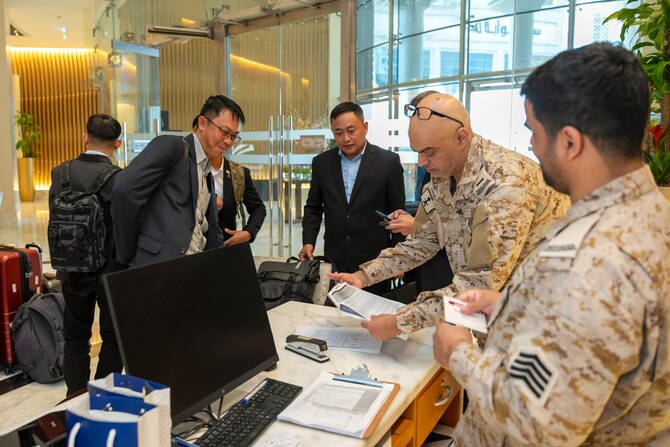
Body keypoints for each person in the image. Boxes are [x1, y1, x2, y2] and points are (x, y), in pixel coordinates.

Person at [433, 42, 670, 446]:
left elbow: (537, 421)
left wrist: (458, 354)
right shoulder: (649, 214)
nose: (532, 146)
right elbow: (600, 337)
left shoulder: (592, 261)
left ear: (570, 142)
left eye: (534, 131)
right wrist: (511, 308)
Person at [330, 93, 569, 339]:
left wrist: (399, 322)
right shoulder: (443, 173)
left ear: (461, 138)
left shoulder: (506, 185)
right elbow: (424, 239)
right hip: (490, 321)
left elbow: (479, 284)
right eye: (417, 151)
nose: (421, 162)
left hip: (540, 329)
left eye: (429, 152)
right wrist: (364, 276)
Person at [112, 95, 245, 267]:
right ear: (203, 123)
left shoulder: (206, 171)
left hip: (191, 267)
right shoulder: (172, 146)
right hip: (159, 266)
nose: (228, 141)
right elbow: (124, 191)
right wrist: (127, 252)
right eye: (224, 132)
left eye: (233, 137)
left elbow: (207, 225)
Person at [48, 114, 124, 395]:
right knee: (113, 338)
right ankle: (102, 396)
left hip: (71, 266)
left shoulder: (59, 173)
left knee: (76, 337)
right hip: (109, 269)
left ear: (85, 137)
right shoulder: (120, 179)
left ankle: (75, 396)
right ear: (118, 143)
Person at [299, 102, 406, 294]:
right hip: (335, 256)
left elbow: (398, 213)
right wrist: (308, 241)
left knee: (373, 309)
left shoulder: (388, 161)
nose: (345, 138)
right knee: (335, 307)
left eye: (351, 131)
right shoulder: (321, 163)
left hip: (374, 259)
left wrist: (398, 259)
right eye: (338, 133)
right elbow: (313, 207)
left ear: (365, 127)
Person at [191, 116, 267, 246]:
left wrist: (248, 232)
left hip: (225, 246)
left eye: (231, 136)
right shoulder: (187, 168)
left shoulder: (239, 173)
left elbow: (258, 208)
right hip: (190, 247)